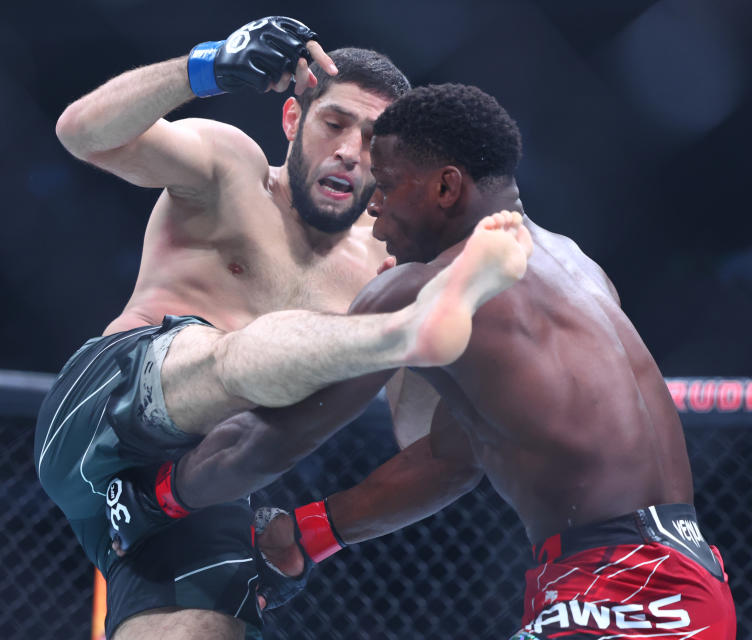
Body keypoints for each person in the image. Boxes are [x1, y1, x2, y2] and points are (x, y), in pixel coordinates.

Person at [125, 84, 738, 638]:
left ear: (447, 187)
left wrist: (152, 498)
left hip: (616, 593)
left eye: (387, 187)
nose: (373, 208)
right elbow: (451, 457)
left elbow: (268, 444)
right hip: (684, 579)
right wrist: (305, 535)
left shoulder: (421, 289)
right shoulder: (577, 265)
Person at [33, 16, 532, 640]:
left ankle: (412, 340)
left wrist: (466, 369)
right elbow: (81, 133)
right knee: (229, 358)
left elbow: (419, 439)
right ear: (294, 121)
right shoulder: (228, 167)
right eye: (334, 123)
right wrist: (205, 67)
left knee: (205, 626)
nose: (350, 150)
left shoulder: (386, 270)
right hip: (107, 409)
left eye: (373, 140)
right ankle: (403, 336)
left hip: (196, 488)